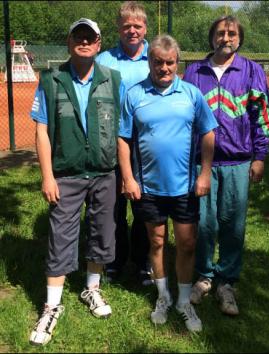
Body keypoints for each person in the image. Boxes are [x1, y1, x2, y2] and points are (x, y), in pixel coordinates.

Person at [29, 18, 121, 345]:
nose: (84, 41)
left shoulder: (113, 79)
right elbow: (41, 129)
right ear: (69, 43)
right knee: (59, 235)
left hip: (103, 173)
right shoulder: (51, 80)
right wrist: (47, 176)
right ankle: (52, 306)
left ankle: (92, 289)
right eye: (78, 36)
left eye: (90, 37)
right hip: (65, 175)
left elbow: (122, 129)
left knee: (102, 230)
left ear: (98, 44)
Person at [118, 34, 218, 332]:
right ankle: (163, 296)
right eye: (158, 62)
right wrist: (128, 177)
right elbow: (123, 139)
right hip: (148, 187)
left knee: (186, 244)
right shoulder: (134, 95)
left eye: (170, 62)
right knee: (157, 242)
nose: (164, 68)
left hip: (185, 187)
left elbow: (208, 133)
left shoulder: (190, 94)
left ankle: (184, 301)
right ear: (150, 62)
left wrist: (203, 174)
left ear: (178, 63)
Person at [184, 15, 269, 316]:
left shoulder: (251, 70)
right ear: (211, 37)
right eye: (220, 33)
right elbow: (184, 116)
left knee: (233, 224)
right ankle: (204, 276)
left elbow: (261, 116)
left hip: (238, 160)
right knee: (204, 223)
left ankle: (227, 283)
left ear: (240, 38)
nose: (226, 37)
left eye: (232, 33)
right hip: (202, 162)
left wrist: (259, 156)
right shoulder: (194, 71)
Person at [96, 1, 153, 286]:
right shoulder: (104, 60)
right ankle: (115, 261)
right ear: (118, 28)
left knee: (144, 206)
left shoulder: (156, 58)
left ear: (145, 28)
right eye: (126, 25)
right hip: (111, 144)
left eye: (137, 25)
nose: (132, 30)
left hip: (146, 146)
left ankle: (143, 263)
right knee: (113, 206)